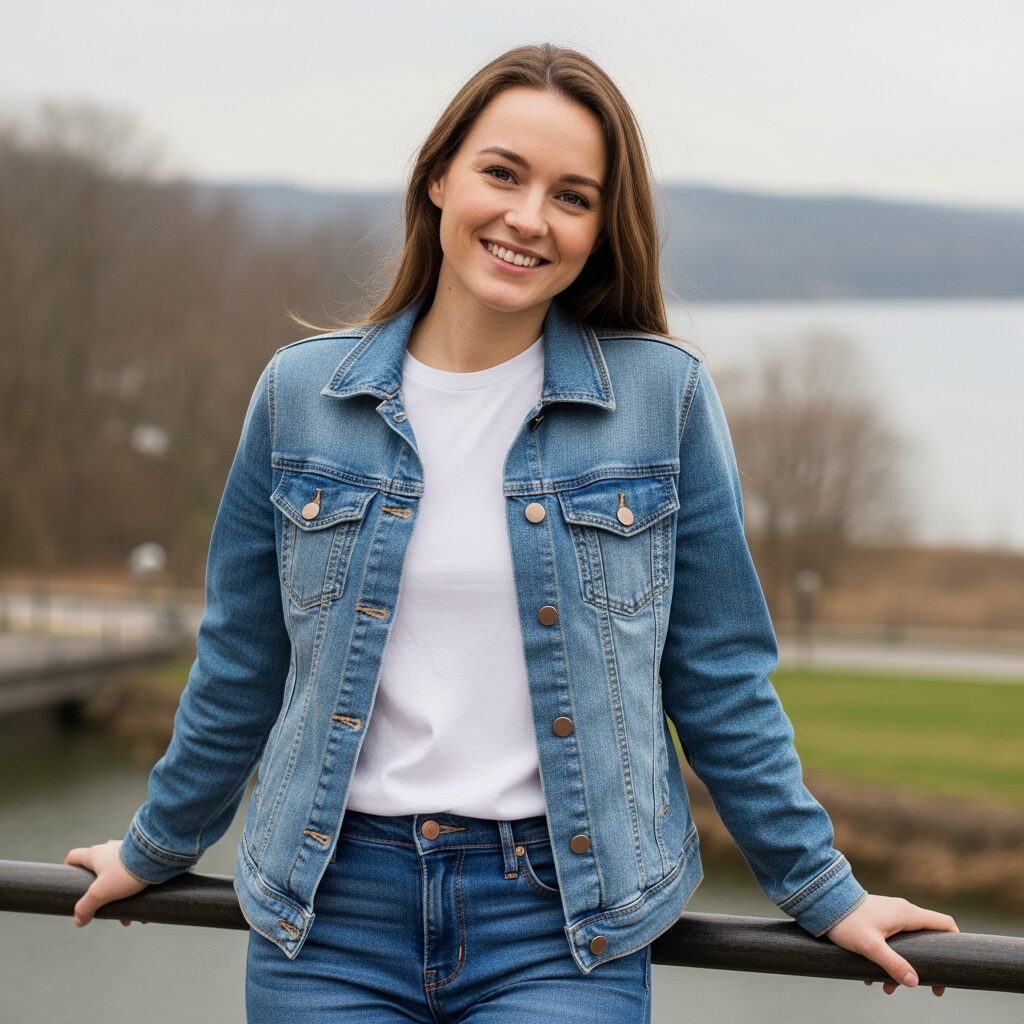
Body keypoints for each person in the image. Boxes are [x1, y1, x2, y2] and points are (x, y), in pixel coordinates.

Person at [65, 42, 958, 1022]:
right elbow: (241, 662)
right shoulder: (299, 397)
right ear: (440, 176)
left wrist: (821, 890)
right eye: (502, 173)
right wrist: (155, 847)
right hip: (330, 914)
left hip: (560, 923)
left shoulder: (662, 401)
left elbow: (716, 678)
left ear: (599, 228)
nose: (529, 217)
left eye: (572, 197)